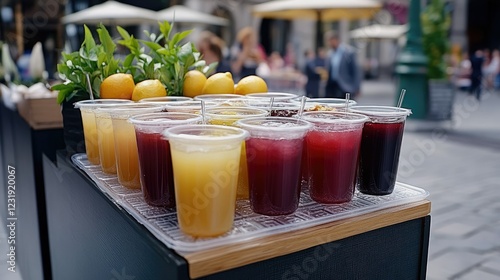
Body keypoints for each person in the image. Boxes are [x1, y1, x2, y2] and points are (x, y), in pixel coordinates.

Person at [324, 31, 361, 99]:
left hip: (345, 86)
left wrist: (357, 87)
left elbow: (356, 71)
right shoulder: (330, 54)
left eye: (330, 41)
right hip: (332, 86)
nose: (329, 43)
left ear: (336, 40)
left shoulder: (348, 52)